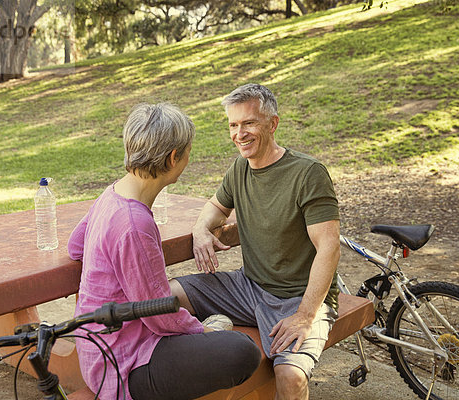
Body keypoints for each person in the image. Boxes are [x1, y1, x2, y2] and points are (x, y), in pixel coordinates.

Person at [68, 103, 261, 400]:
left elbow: (75, 245)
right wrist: (206, 334)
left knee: (203, 311)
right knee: (241, 351)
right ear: (173, 158)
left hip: (98, 347)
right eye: (187, 152)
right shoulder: (134, 224)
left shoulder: (112, 194)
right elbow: (160, 316)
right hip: (123, 363)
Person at [170, 84, 341, 400]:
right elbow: (215, 208)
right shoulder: (239, 168)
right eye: (233, 125)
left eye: (248, 123)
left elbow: (329, 247)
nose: (239, 133)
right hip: (247, 288)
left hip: (298, 298)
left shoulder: (308, 173)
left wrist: (305, 315)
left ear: (272, 123)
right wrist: (201, 230)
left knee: (290, 376)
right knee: (168, 296)